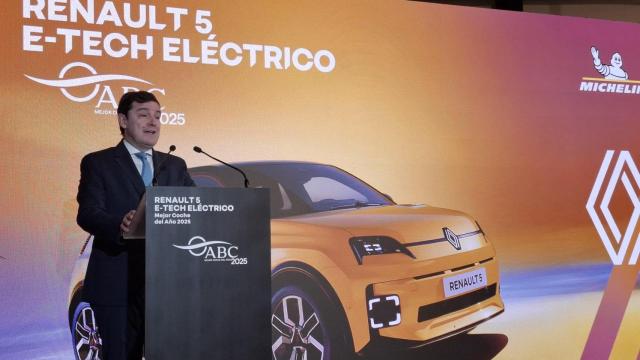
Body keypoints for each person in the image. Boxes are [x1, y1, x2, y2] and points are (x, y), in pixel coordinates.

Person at [76, 91, 195, 359]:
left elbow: (195, 208)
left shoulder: (174, 165)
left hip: (168, 283)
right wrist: (119, 224)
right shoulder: (98, 162)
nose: (153, 122)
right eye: (143, 115)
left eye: (157, 116)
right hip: (117, 280)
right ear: (123, 120)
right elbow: (88, 213)